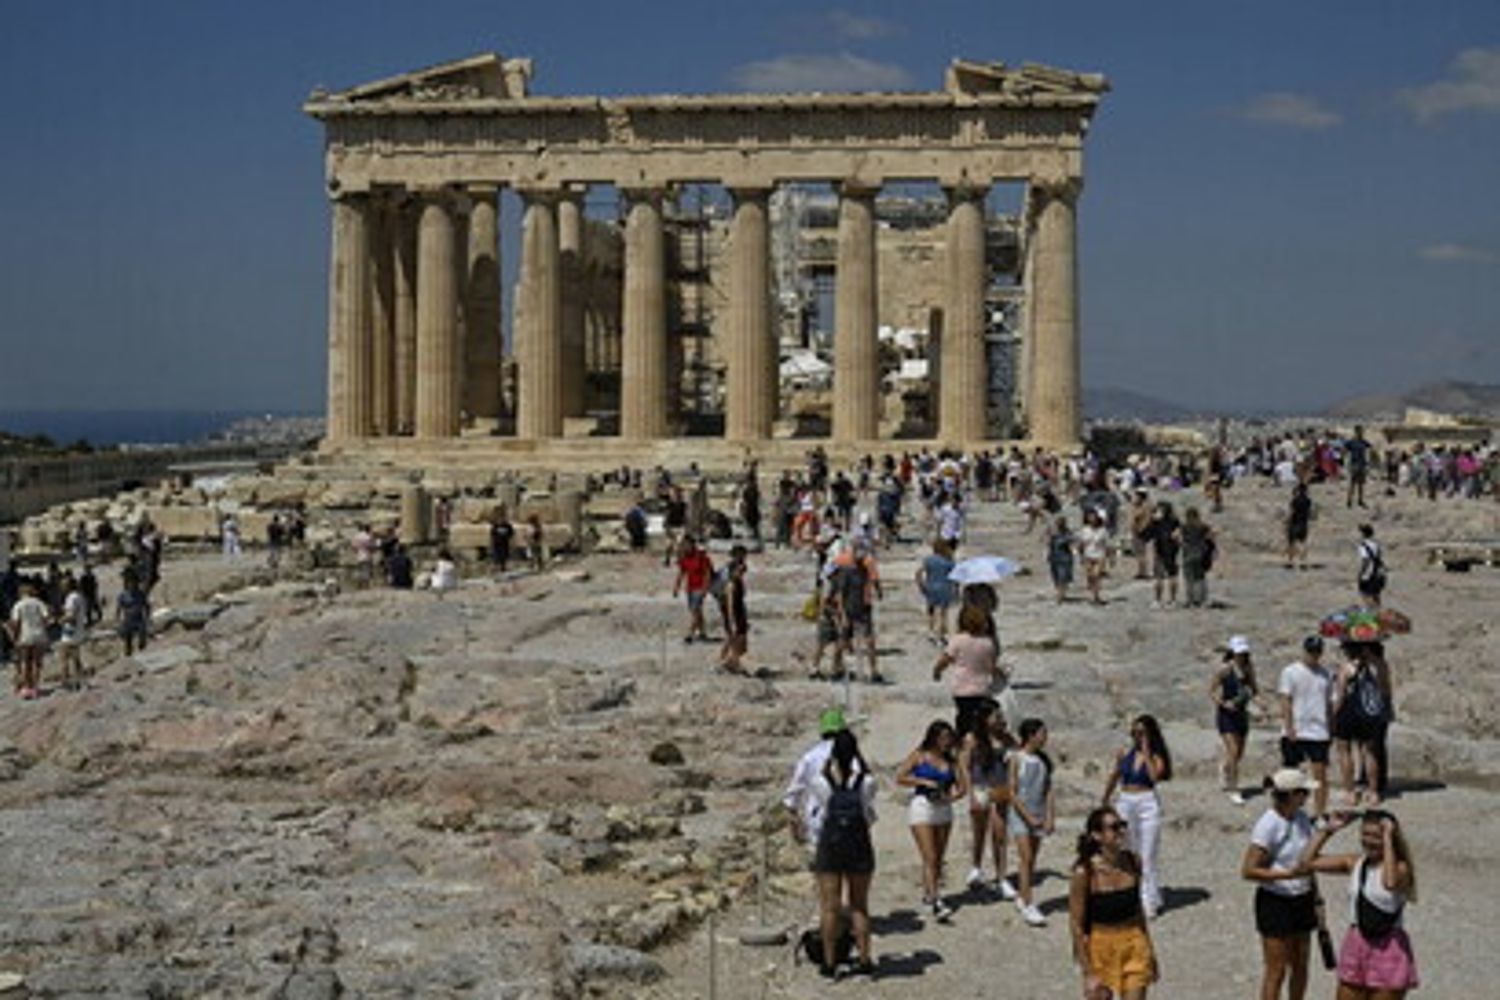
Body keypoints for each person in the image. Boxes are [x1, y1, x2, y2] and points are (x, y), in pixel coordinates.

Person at [1300, 809, 1419, 999]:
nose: (1369, 841)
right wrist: (1328, 830)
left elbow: (1389, 883)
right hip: (1357, 941)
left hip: (1389, 947)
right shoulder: (1355, 862)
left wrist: (1388, 838)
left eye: (1376, 836)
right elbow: (1307, 862)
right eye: (1365, 834)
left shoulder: (1400, 868)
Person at [1242, 769, 1320, 1000]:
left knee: (1301, 964)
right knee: (1276, 970)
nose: (1307, 796)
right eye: (1304, 792)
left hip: (1302, 897)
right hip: (1276, 901)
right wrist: (1288, 875)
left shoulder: (1302, 818)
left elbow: (1307, 860)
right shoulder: (1268, 825)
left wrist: (1315, 895)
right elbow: (1248, 870)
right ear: (1293, 794)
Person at [1069, 806, 1159, 1000]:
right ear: (1097, 835)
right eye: (1114, 827)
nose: (1121, 831)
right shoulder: (1084, 873)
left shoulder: (1133, 862)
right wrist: (1088, 972)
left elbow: (1138, 911)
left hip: (1134, 943)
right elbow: (1076, 925)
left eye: (1122, 825)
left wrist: (1151, 951)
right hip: (1100, 947)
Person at [808, 729, 878, 979]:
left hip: (831, 845)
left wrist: (828, 768)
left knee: (830, 907)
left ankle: (828, 962)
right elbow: (869, 810)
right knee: (859, 905)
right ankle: (864, 958)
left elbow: (822, 808)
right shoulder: (866, 782)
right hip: (858, 845)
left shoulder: (820, 782)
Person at [1101, 714, 1172, 919]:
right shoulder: (1125, 753)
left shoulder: (1156, 756)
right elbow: (1115, 775)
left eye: (1141, 732)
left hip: (1146, 801)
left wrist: (1147, 751)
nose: (1137, 736)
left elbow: (1154, 777)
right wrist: (1105, 798)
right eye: (1135, 732)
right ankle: (1132, 894)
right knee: (1127, 850)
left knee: (1147, 853)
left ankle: (1148, 899)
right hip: (1125, 799)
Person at [895, 720, 967, 922]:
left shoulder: (952, 760)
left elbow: (963, 787)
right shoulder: (919, 755)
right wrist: (922, 781)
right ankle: (936, 899)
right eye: (943, 738)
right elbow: (900, 776)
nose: (946, 742)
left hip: (943, 807)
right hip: (922, 806)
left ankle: (929, 895)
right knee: (929, 855)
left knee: (939, 856)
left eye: (948, 738)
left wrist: (951, 798)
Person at [958, 702, 1016, 898]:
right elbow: (964, 765)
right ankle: (976, 867)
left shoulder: (1006, 738)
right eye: (995, 716)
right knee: (980, 830)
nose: (999, 719)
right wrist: (970, 791)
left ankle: (1001, 877)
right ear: (985, 719)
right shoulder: (972, 739)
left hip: (1000, 787)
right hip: (980, 786)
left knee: (1000, 833)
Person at [1008, 717, 1055, 927]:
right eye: (1042, 733)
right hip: (1020, 814)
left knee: (1032, 858)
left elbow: (1049, 791)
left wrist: (1049, 816)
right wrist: (1027, 816)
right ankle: (1028, 903)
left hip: (1038, 812)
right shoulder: (1016, 758)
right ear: (1030, 735)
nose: (1045, 738)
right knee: (1025, 857)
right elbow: (1012, 791)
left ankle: (1022, 893)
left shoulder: (1043, 761)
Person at [932, 604, 1005, 738]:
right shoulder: (988, 642)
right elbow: (991, 667)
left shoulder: (958, 640)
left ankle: (963, 745)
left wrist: (937, 671)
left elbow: (945, 659)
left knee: (964, 719)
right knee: (981, 722)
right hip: (982, 688)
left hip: (962, 688)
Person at [1279, 635, 1333, 817]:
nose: (1314, 656)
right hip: (1296, 729)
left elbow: (1328, 704)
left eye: (1317, 652)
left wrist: (1331, 728)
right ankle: (1288, 811)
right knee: (1291, 777)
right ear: (1304, 651)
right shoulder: (1290, 671)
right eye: (1311, 652)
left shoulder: (1326, 674)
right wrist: (1289, 726)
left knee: (1320, 775)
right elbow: (1286, 700)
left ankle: (1319, 813)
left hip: (1318, 731)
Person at [1332, 643, 1390, 808]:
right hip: (1369, 714)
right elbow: (1385, 690)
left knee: (1344, 751)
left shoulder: (1347, 667)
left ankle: (1350, 792)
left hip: (1349, 713)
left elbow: (1341, 694)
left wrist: (1332, 715)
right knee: (1370, 752)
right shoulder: (1379, 666)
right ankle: (1373, 792)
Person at [1213, 636, 1259, 804]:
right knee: (1232, 750)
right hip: (1226, 715)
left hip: (1241, 714)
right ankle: (1234, 788)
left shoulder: (1248, 669)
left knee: (1239, 752)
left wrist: (1261, 704)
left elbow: (1254, 689)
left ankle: (1225, 769)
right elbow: (1212, 690)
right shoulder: (1225, 670)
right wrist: (1223, 704)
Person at [6, 583, 50, 699]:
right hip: (39, 635)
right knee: (36, 663)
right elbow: (46, 618)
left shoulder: (18, 605)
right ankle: (35, 688)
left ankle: (26, 688)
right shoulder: (39, 603)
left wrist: (14, 636)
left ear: (21, 593)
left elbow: (15, 623)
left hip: (25, 636)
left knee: (26, 663)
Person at [672, 535, 715, 643]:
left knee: (696, 610)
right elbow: (681, 573)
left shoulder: (701, 557)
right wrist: (676, 587)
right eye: (683, 545)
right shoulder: (684, 558)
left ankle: (690, 634)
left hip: (700, 587)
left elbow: (708, 573)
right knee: (696, 611)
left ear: (692, 544)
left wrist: (705, 588)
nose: (685, 547)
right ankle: (703, 633)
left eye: (687, 545)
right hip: (690, 588)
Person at [915, 539, 957, 643]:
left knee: (931, 611)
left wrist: (920, 584)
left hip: (931, 587)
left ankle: (931, 631)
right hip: (945, 587)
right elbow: (955, 576)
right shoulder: (949, 561)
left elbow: (918, 572)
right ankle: (941, 634)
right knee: (943, 613)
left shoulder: (929, 559)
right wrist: (956, 589)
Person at [1143, 502, 1181, 609]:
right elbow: (1146, 536)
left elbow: (1145, 536)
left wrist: (1151, 521)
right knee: (1164, 576)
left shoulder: (1167, 522)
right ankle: (1164, 600)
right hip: (1165, 551)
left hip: (1167, 551)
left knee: (1167, 576)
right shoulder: (1165, 522)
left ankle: (1166, 600)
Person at [719, 545, 749, 674]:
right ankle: (732, 663)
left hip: (739, 612)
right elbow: (730, 604)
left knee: (732, 639)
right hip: (734, 614)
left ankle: (725, 661)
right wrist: (731, 620)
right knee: (737, 641)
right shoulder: (731, 584)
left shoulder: (738, 581)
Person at [1179, 507, 1216, 609]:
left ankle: (1190, 601)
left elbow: (1175, 536)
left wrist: (1183, 544)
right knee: (1200, 578)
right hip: (1200, 554)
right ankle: (1201, 600)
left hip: (1187, 554)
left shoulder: (1184, 526)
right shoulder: (1203, 526)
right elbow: (1212, 536)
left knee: (1189, 579)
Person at [56, 577, 87, 691]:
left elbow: (71, 616)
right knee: (75, 657)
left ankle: (66, 682)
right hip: (79, 630)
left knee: (64, 657)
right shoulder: (79, 596)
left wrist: (59, 620)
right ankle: (79, 680)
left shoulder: (71, 598)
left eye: (63, 585)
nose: (61, 587)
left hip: (70, 632)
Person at [1076, 508, 1110, 605]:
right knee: (1090, 576)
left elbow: (1107, 544)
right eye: (1089, 517)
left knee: (1096, 575)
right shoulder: (1085, 530)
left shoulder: (1103, 530)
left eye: (1093, 516)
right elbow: (1081, 544)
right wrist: (1080, 556)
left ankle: (1096, 596)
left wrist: (1111, 557)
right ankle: (1093, 594)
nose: (1091, 519)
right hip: (1088, 555)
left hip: (1099, 555)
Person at [116, 571, 151, 657]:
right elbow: (119, 609)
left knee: (142, 640)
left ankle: (143, 654)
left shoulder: (140, 594)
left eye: (134, 582)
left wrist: (147, 619)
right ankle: (128, 657)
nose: (132, 585)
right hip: (128, 620)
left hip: (139, 619)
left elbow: (147, 606)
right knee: (128, 642)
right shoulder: (123, 595)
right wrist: (118, 621)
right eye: (130, 583)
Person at [1046, 514, 1076, 603]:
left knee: (1062, 576)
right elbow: (1047, 543)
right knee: (1055, 576)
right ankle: (1060, 592)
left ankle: (1060, 595)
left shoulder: (1068, 532)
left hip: (1065, 557)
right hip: (1054, 556)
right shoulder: (1053, 533)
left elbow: (1072, 542)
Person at [1285, 483, 1312, 570]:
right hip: (1304, 522)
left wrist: (1287, 521)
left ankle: (1291, 561)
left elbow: (1291, 511)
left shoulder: (1295, 500)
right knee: (1303, 542)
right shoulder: (1308, 501)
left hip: (1295, 522)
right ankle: (1303, 561)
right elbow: (1310, 513)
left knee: (1291, 542)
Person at [1356, 525, 1385, 606]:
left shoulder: (1363, 546)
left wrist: (1361, 573)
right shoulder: (1376, 544)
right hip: (1378, 573)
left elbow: (1366, 560)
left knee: (1365, 595)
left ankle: (1371, 613)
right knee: (1376, 595)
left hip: (1368, 574)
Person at [1345, 426, 1372, 509]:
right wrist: (1346, 462)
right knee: (1352, 484)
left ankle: (1360, 500)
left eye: (1362, 431)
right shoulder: (1351, 442)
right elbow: (1344, 449)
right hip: (1354, 464)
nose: (1361, 433)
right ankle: (1349, 501)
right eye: (1360, 431)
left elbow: (1370, 447)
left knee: (1361, 485)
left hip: (1362, 465)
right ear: (1356, 432)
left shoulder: (1363, 442)